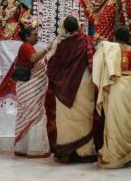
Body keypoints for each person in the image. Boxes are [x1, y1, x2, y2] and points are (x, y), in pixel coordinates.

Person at [0, 27, 53, 158]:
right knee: (34, 116)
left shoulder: (27, 46)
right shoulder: (26, 46)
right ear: (27, 37)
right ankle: (35, 149)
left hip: (29, 87)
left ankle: (25, 148)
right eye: (35, 35)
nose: (37, 37)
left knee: (30, 116)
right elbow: (33, 59)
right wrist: (48, 48)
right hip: (29, 88)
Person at [46, 16, 96, 163]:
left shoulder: (59, 43)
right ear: (78, 27)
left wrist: (60, 79)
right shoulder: (86, 40)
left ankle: (66, 152)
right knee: (84, 117)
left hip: (64, 86)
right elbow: (92, 61)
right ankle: (84, 152)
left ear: (65, 28)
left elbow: (51, 64)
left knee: (64, 119)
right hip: (84, 82)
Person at [93, 26, 131, 168]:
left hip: (113, 85)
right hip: (129, 88)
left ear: (115, 37)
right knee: (126, 119)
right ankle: (126, 156)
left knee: (112, 119)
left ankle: (112, 155)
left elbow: (99, 66)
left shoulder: (109, 50)